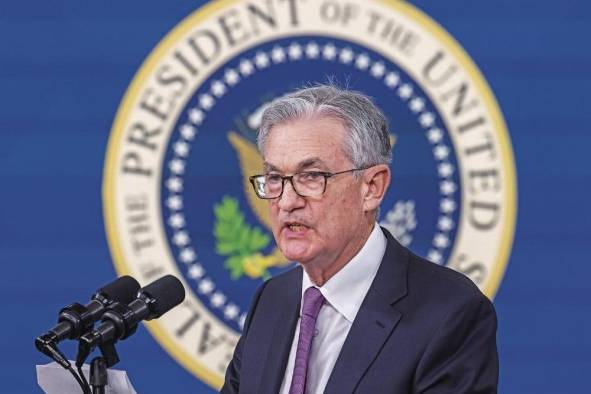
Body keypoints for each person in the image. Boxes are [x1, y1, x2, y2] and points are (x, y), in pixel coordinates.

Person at [220, 85, 498, 394]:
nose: (286, 202)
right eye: (274, 179)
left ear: (372, 187)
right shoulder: (271, 300)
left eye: (312, 177)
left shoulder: (449, 314)